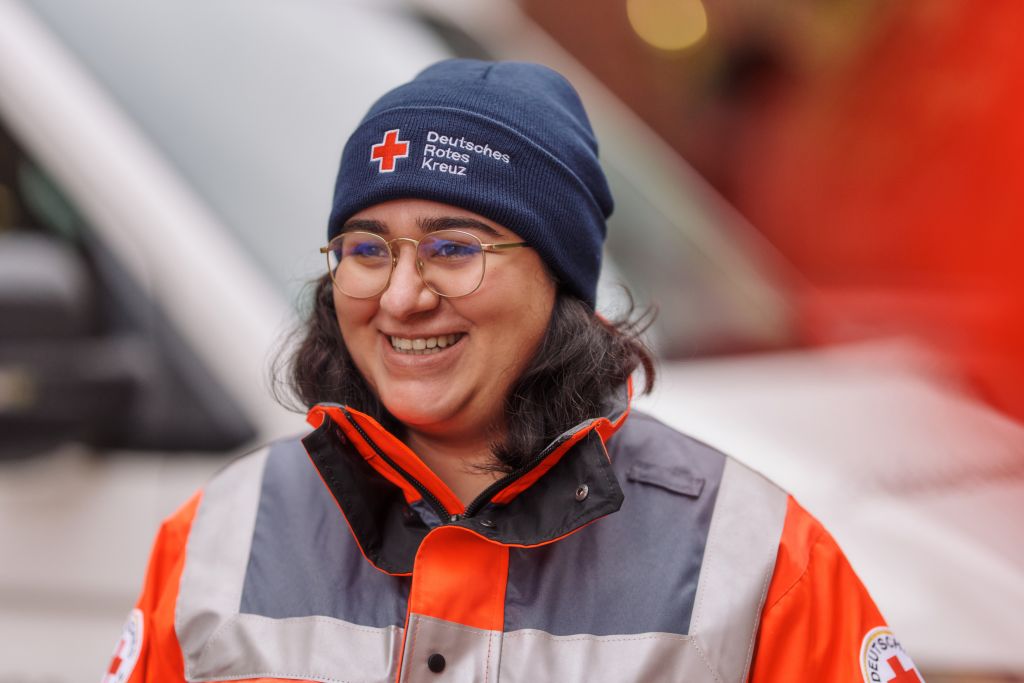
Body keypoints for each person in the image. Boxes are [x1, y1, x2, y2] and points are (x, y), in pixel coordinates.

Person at [106, 59, 923, 683]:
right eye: (365, 249)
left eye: (453, 249)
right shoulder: (217, 535)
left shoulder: (753, 558)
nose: (400, 296)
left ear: (560, 282)